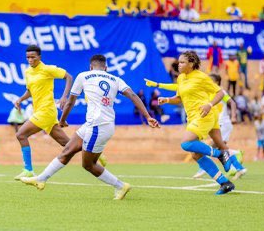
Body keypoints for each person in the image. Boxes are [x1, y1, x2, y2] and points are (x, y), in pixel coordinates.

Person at [20, 54, 160, 200]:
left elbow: (70, 102)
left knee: (88, 164)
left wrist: (62, 120)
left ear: (90, 67)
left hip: (97, 126)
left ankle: (120, 186)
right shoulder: (115, 79)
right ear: (106, 68)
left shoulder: (84, 76)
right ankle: (41, 179)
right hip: (98, 124)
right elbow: (132, 94)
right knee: (68, 149)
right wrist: (148, 116)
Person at [157, 51, 235, 195]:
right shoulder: (181, 78)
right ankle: (225, 183)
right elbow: (180, 98)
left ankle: (220, 154)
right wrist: (167, 100)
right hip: (193, 118)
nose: (178, 64)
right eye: (178, 62)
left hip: (204, 115)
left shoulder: (201, 76)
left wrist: (209, 104)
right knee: (196, 155)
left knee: (186, 143)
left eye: (182, 62)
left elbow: (220, 93)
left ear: (191, 64)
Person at [145, 75, 247, 180]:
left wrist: (234, 116)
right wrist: (158, 85)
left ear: (216, 82)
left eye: (210, 80)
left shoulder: (220, 92)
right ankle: (238, 165)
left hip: (222, 123)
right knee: (218, 146)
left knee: (212, 147)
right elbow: (177, 87)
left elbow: (232, 103)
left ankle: (208, 166)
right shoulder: (204, 91)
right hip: (212, 122)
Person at [13, 45, 73, 180]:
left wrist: (64, 97)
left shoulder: (47, 69)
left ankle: (28, 170)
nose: (30, 60)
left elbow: (68, 77)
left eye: (33, 57)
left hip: (46, 111)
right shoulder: (28, 72)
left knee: (21, 134)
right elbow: (30, 90)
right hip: (41, 111)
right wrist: (20, 99)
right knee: (68, 145)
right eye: (28, 57)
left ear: (39, 57)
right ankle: (97, 155)